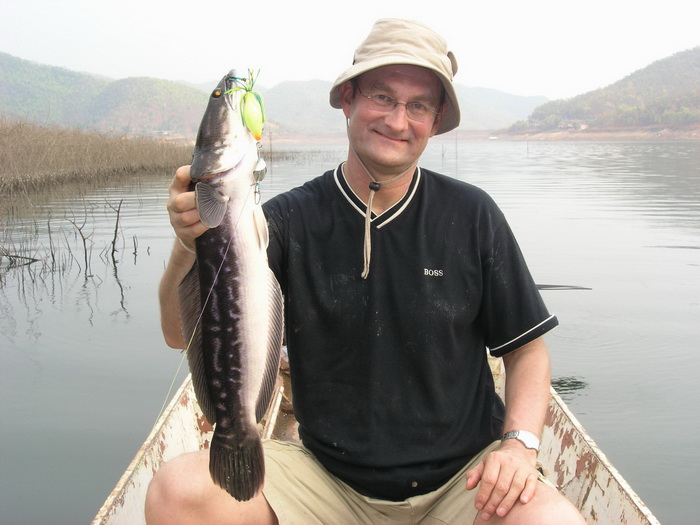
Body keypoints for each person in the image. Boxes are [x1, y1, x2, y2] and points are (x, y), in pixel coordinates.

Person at [147, 18, 586, 525]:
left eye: (418, 105)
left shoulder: (472, 215)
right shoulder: (283, 221)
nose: (398, 121)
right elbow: (178, 335)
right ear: (348, 101)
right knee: (176, 493)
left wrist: (519, 446)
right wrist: (189, 244)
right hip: (325, 481)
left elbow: (527, 350)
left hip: (464, 481)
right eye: (382, 97)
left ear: (436, 119)